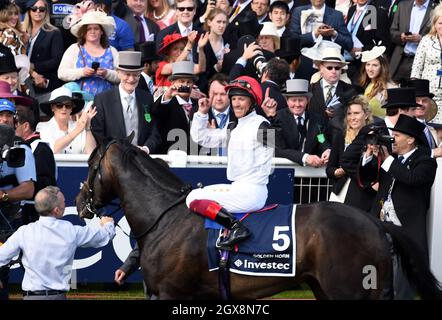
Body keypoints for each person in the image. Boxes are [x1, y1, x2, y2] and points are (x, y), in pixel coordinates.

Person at [186, 75, 276, 248]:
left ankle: (236, 227)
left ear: (252, 102)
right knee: (194, 194)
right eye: (233, 98)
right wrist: (201, 114)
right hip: (239, 187)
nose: (236, 103)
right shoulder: (235, 126)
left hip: (252, 191)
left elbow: (269, 161)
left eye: (241, 99)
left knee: (194, 198)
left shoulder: (262, 125)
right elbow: (203, 138)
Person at [358, 114, 437, 299]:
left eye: (398, 136)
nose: (393, 139)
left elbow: (412, 179)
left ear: (411, 140)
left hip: (406, 231)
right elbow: (367, 177)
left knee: (401, 285)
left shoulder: (425, 161)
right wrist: (369, 156)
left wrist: (387, 160)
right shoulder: (390, 158)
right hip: (381, 224)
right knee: (374, 278)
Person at [0, 186, 115, 300]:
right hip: (57, 297)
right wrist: (108, 224)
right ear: (56, 210)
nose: (65, 204)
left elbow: (1, 256)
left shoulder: (24, 232)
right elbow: (104, 236)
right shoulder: (70, 231)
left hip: (31, 297)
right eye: (63, 202)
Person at [0, 100, 36, 300]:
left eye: (8, 115)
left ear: (15, 121)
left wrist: (4, 195)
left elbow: (28, 189)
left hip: (7, 219)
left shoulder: (21, 149)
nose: (4, 119)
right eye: (0, 115)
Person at [92, 51, 161, 153]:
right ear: (118, 73)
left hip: (141, 161)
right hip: (114, 162)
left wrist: (145, 149)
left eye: (136, 75)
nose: (131, 79)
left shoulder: (146, 98)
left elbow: (154, 132)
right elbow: (98, 134)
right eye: (127, 74)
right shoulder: (103, 99)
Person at [326, 94, 374, 209]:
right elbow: (329, 169)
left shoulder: (373, 137)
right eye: (349, 114)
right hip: (340, 191)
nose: (352, 117)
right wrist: (337, 172)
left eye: (356, 113)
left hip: (362, 192)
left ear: (366, 115)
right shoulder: (340, 136)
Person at [58, 9, 119, 98]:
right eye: (88, 29)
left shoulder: (112, 51)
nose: (92, 31)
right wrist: (82, 72)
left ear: (102, 31)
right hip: (80, 102)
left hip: (107, 101)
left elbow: (122, 76)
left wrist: (107, 73)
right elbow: (61, 73)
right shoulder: (74, 49)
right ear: (83, 32)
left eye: (96, 28)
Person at [272, 79, 330, 168]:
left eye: (301, 100)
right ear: (287, 101)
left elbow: (321, 139)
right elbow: (274, 148)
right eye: (293, 100)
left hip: (309, 174)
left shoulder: (317, 119)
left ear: (307, 101)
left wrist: (326, 150)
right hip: (282, 170)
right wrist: (304, 157)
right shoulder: (276, 118)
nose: (297, 104)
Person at [15, 104, 57, 223]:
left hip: (32, 216)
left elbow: (47, 184)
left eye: (15, 124)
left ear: (26, 126)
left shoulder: (40, 148)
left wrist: (22, 186)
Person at [37, 86, 97, 154]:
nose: (64, 108)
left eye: (68, 105)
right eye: (59, 105)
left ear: (71, 109)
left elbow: (91, 153)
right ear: (52, 108)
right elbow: (53, 149)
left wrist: (87, 127)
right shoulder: (43, 127)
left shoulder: (79, 126)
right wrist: (77, 130)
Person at [22, 0, 64, 95]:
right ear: (29, 11)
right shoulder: (22, 31)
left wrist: (34, 66)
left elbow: (56, 60)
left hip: (44, 82)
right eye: (34, 9)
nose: (38, 12)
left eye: (42, 9)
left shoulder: (54, 32)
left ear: (46, 12)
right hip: (23, 80)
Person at [389, 0, 436, 83]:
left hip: (421, 62)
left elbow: (438, 37)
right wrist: (401, 37)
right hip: (400, 59)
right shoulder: (402, 5)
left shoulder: (435, 9)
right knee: (392, 92)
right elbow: (392, 32)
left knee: (416, 94)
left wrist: (422, 40)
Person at [411, 2, 442, 124]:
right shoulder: (426, 40)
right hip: (427, 95)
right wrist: (415, 93)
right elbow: (416, 68)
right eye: (440, 23)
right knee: (429, 127)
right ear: (434, 24)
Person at [190, 73, 235, 155]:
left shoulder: (239, 112)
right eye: (215, 94)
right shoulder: (197, 111)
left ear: (230, 94)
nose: (218, 98)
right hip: (206, 164)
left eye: (223, 94)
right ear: (208, 93)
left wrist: (213, 134)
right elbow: (195, 140)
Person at [308, 47, 353, 121]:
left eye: (337, 68)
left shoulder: (349, 90)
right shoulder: (310, 89)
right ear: (321, 69)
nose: (334, 71)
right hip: (316, 131)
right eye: (329, 68)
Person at [359, 45, 397, 119]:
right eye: (368, 65)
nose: (370, 69)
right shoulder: (369, 84)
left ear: (382, 67)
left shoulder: (391, 87)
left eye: (375, 65)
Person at [407, 79, 442, 158]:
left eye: (424, 100)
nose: (421, 104)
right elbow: (405, 150)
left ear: (430, 103)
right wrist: (433, 152)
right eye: (417, 100)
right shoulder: (405, 125)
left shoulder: (430, 129)